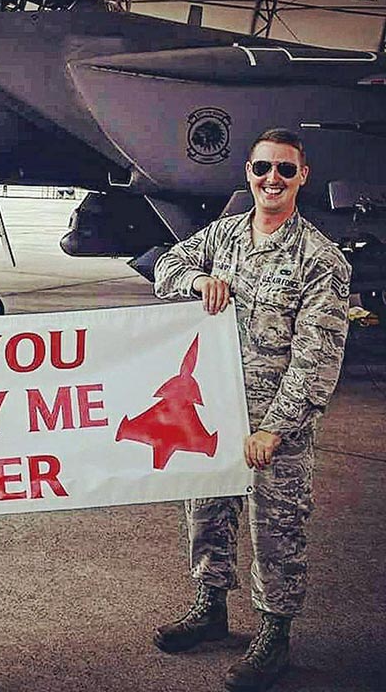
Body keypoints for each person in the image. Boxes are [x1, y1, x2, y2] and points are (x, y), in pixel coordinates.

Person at [152, 129, 350, 692]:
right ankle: (210, 607)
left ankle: (274, 635)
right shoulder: (226, 236)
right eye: (263, 168)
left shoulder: (320, 259)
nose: (272, 179)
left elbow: (316, 357)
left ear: (302, 176)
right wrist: (198, 278)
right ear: (248, 173)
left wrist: (275, 428)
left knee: (276, 529)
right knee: (206, 512)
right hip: (215, 414)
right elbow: (166, 267)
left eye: (285, 169)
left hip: (272, 427)